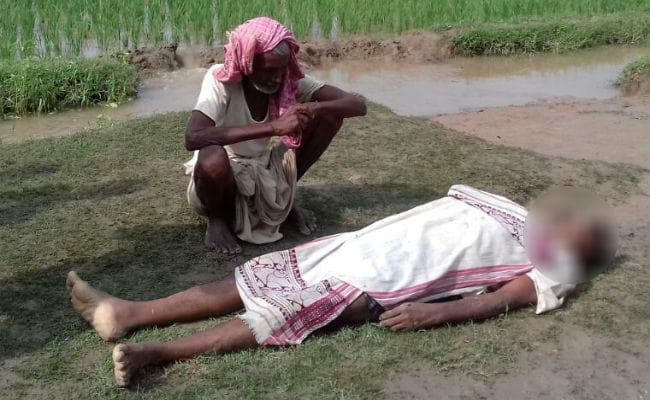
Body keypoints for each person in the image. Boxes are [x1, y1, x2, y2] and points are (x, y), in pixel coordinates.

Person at [66, 184, 616, 387]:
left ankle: (156, 354)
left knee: (286, 311)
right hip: (368, 243)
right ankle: (128, 312)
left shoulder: (559, 265)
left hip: (393, 281)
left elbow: (506, 297)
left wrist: (437, 313)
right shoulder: (508, 207)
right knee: (258, 274)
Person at [183, 17, 366, 254]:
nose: (278, 78)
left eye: (282, 69)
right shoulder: (220, 79)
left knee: (330, 116)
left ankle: (284, 200)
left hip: (262, 166)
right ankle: (217, 219)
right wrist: (274, 128)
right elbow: (193, 136)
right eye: (269, 70)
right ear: (248, 63)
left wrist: (315, 107)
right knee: (212, 157)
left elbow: (357, 105)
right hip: (223, 175)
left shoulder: (287, 79)